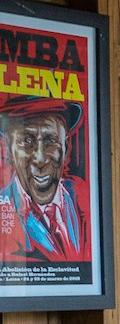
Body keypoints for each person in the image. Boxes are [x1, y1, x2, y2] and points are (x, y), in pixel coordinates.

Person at [0, 99, 90, 266]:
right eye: (26, 141)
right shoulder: (4, 209)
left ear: (66, 147)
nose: (40, 159)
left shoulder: (84, 197)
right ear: (9, 150)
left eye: (50, 140)